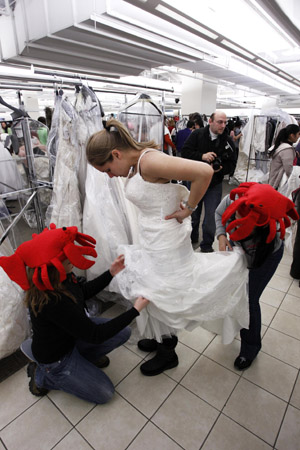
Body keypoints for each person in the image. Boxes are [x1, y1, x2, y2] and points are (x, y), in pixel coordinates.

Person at [86, 118, 250, 377]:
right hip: (153, 236)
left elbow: (204, 172)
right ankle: (159, 338)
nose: (109, 176)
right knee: (154, 288)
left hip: (166, 241)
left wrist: (189, 209)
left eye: (107, 169)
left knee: (163, 291)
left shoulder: (148, 161)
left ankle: (168, 351)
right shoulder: (136, 164)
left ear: (116, 154)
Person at [0, 224, 149, 403]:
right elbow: (96, 335)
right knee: (105, 393)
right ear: (53, 267)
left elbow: (82, 292)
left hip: (70, 337)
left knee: (123, 333)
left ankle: (83, 358)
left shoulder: (62, 278)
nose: (73, 258)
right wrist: (135, 310)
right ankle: (42, 376)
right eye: (68, 258)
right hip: (56, 359)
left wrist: (111, 273)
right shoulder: (53, 301)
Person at [215, 182, 298, 370]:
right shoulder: (234, 199)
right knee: (235, 290)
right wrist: (221, 235)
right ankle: (234, 325)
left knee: (250, 299)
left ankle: (251, 347)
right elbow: (219, 213)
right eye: (235, 216)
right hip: (240, 250)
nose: (235, 221)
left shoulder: (272, 225)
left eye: (242, 223)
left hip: (265, 254)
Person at [182, 110, 236, 251]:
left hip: (214, 183)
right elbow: (185, 153)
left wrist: (220, 169)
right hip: (194, 182)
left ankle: (206, 245)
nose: (223, 125)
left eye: (225, 122)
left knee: (212, 216)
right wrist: (202, 156)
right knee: (193, 213)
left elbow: (232, 164)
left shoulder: (228, 141)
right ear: (210, 121)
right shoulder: (197, 135)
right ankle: (190, 239)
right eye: (219, 122)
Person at [268, 124, 300, 191]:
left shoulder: (281, 145)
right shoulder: (287, 149)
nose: (298, 137)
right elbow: (289, 170)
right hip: (279, 183)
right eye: (298, 134)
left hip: (274, 179)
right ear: (292, 135)